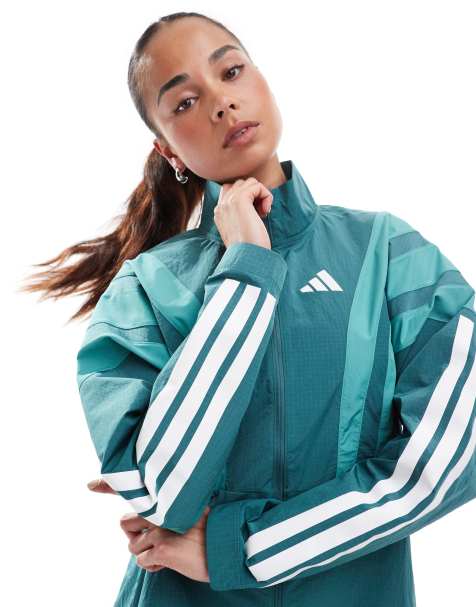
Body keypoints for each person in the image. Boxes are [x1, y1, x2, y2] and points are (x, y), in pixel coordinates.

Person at [21, 11, 476, 607]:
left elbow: (453, 457)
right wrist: (247, 272)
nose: (221, 103)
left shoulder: (390, 253)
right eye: (184, 102)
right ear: (167, 149)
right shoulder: (145, 288)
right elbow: (164, 491)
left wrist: (245, 548)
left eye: (231, 71)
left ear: (262, 79)